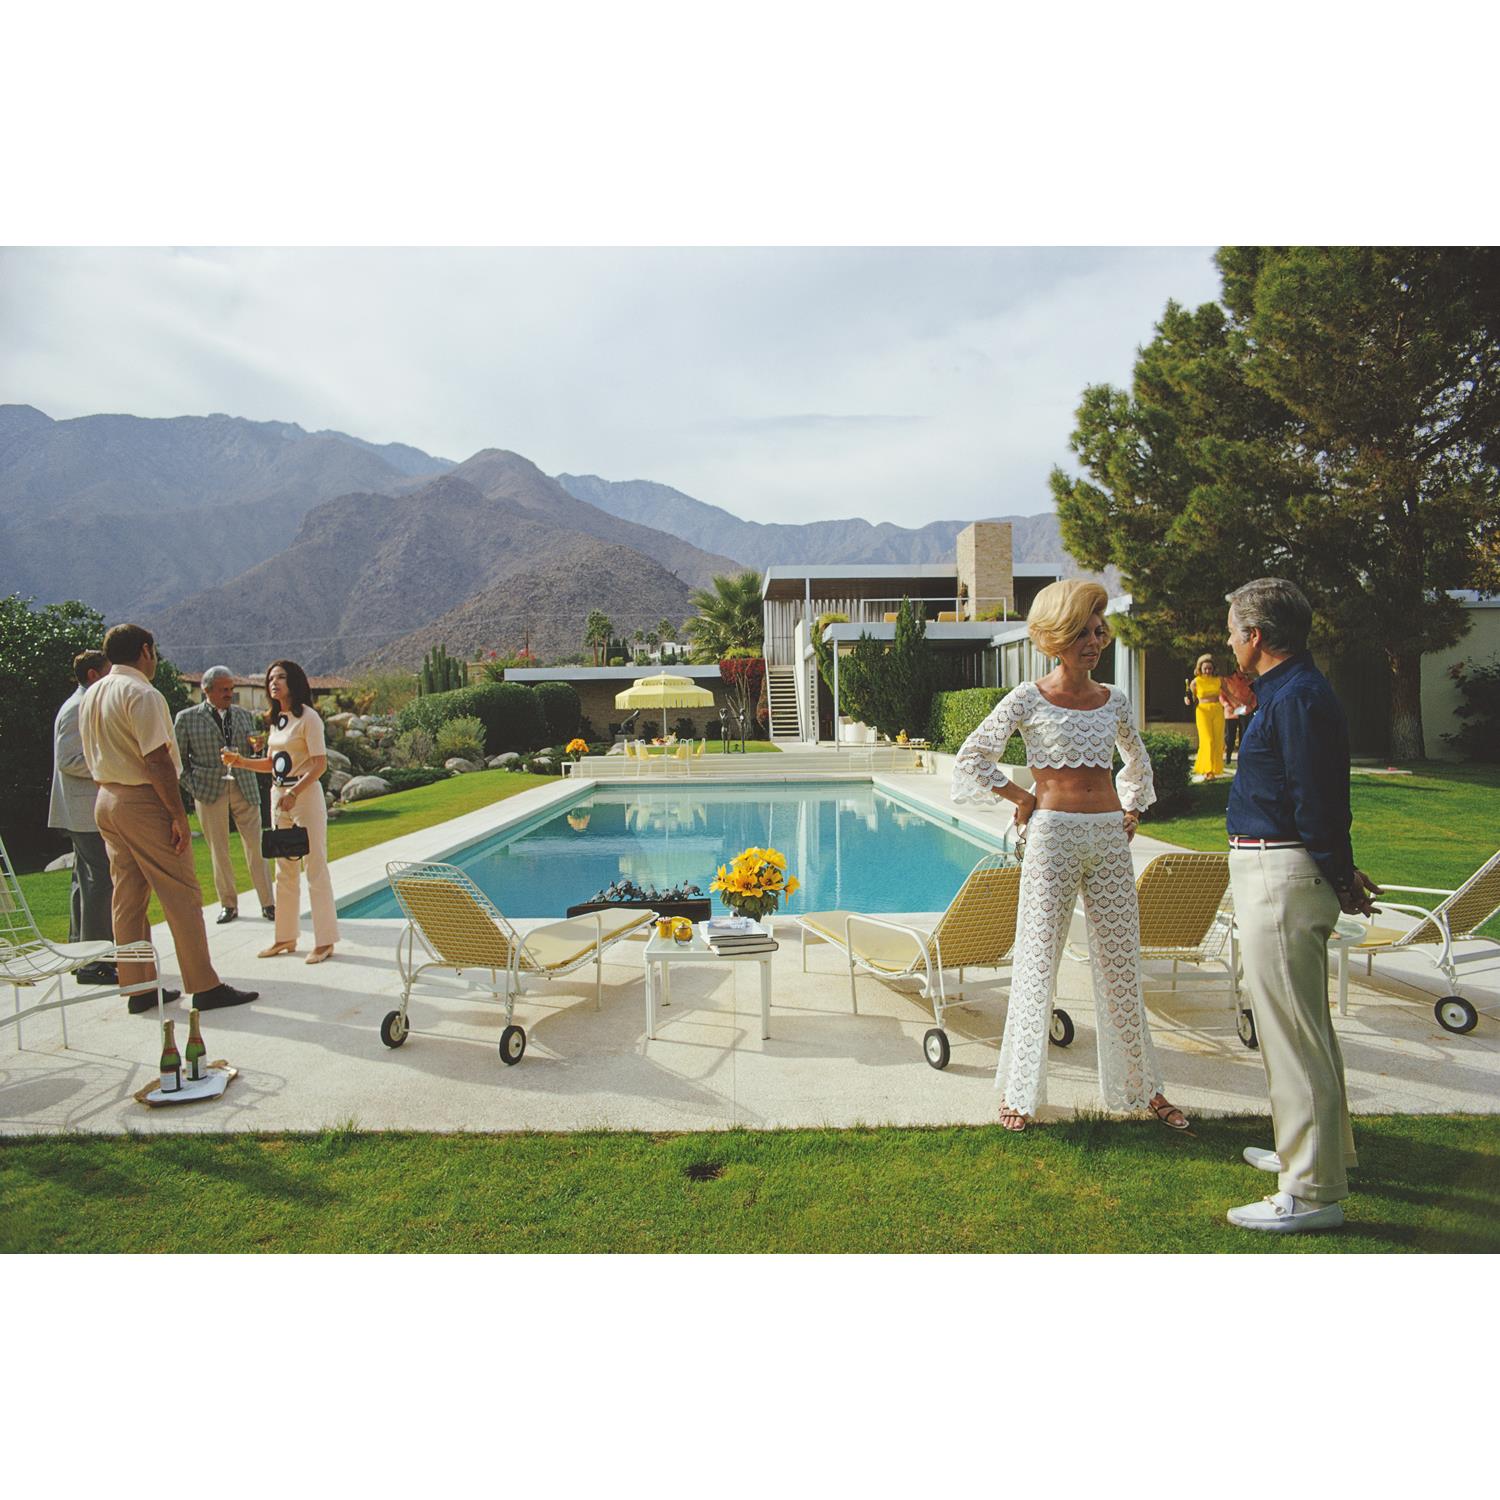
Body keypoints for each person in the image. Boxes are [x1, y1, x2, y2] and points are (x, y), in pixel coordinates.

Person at [952, 579, 1189, 1133]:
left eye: (1099, 629)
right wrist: (1020, 796)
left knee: (1121, 967)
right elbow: (972, 756)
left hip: (1108, 840)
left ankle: (1145, 1088)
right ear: (1057, 637)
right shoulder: (1027, 698)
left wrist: (1130, 810)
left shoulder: (1115, 701)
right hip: (1052, 837)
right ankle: (1020, 1092)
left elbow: (1138, 764)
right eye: (1083, 630)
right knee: (1038, 963)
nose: (1096, 639)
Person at [1223, 578, 1380, 1233]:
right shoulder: (1287, 694)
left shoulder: (1299, 700)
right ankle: (1317, 1152)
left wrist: (1341, 877)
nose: (1228, 640)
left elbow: (1316, 800)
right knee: (1303, 1024)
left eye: (1232, 630)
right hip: (1275, 868)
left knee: (1293, 1035)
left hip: (1280, 876)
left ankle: (1311, 1190)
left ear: (1256, 636)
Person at [78, 624, 258, 1014]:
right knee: (181, 893)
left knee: (127, 897)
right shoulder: (141, 692)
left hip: (106, 798)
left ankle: (139, 988)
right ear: (146, 650)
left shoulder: (93, 693)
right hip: (142, 800)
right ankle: (204, 985)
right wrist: (177, 814)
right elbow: (156, 759)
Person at [222, 659, 338, 964]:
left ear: (294, 682)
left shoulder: (309, 719)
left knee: (315, 867)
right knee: (284, 870)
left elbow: (319, 764)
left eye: (281, 677)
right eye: (271, 678)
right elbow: (272, 763)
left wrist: (294, 792)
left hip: (304, 797)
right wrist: (240, 762)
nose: (274, 683)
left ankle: (324, 941)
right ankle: (285, 937)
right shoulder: (277, 721)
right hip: (279, 797)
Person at [174, 665, 275, 926]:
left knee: (256, 846)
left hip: (245, 786)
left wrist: (256, 750)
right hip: (208, 790)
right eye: (224, 690)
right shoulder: (186, 718)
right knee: (219, 850)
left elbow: (251, 751)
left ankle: (268, 903)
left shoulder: (243, 715)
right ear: (207, 690)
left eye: (231, 689)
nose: (229, 694)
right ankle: (228, 905)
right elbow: (178, 761)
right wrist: (194, 787)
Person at [47, 649, 116, 984]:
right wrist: (110, 766)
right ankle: (95, 961)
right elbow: (68, 760)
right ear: (93, 675)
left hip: (82, 809)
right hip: (83, 810)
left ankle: (80, 953)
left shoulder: (81, 703)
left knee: (84, 881)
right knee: (100, 881)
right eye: (108, 671)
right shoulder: (77, 707)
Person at [1188, 653, 1225, 780]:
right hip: (1202, 711)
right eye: (1205, 668)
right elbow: (1190, 698)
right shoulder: (1196, 682)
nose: (1208, 671)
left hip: (1217, 709)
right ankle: (1207, 770)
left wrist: (1238, 703)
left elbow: (1229, 694)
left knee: (1217, 740)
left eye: (1210, 668)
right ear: (1200, 669)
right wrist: (1187, 700)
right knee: (1207, 740)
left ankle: (1215, 769)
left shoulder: (1218, 680)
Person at [1220, 665, 1257, 762]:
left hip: (1244, 710)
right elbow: (1222, 695)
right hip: (1231, 711)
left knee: (1244, 734)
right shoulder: (1227, 680)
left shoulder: (1250, 682)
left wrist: (1251, 707)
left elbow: (1254, 696)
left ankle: (1242, 756)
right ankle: (1228, 756)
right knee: (1230, 735)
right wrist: (1226, 705)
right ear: (1237, 669)